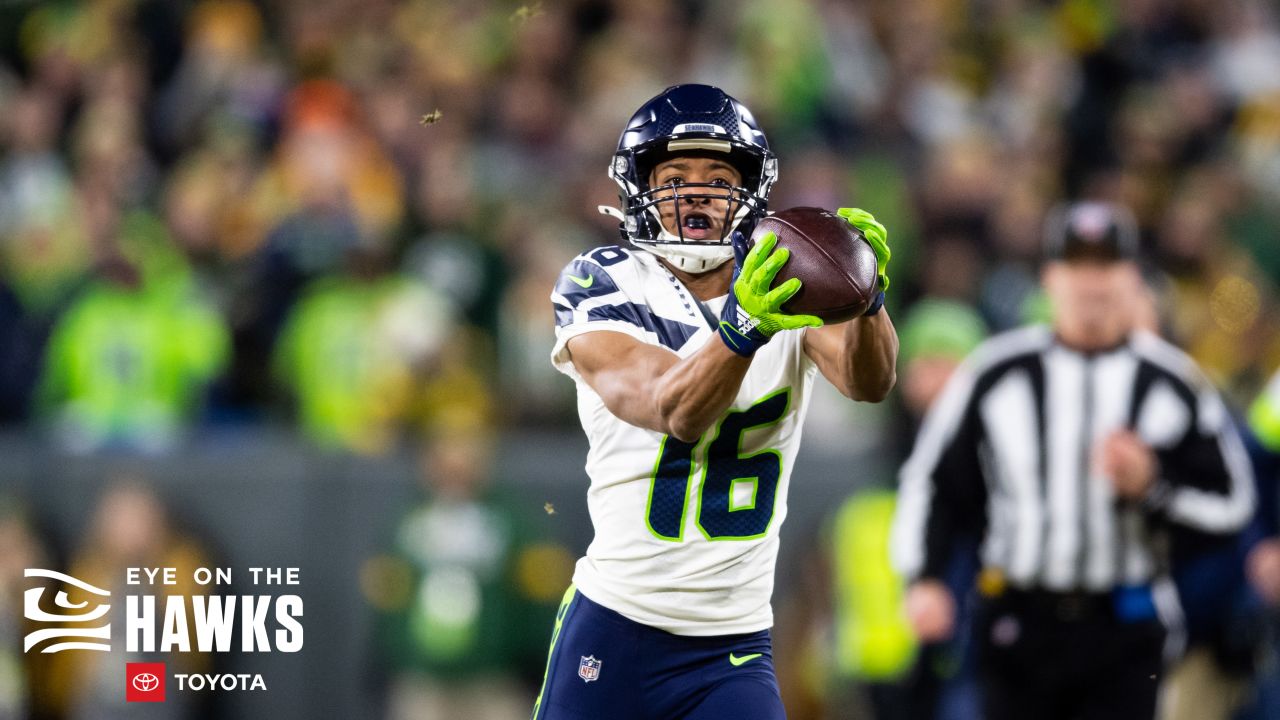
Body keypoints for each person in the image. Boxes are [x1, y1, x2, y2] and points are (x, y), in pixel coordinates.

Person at [535, 84, 898, 720]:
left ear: (750, 189)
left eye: (718, 176)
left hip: (731, 645)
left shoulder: (783, 274)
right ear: (639, 186)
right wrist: (742, 330)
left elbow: (870, 383)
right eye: (674, 175)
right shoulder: (606, 279)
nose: (695, 191)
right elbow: (671, 409)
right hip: (618, 625)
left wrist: (864, 299)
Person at [891, 200, 1256, 720]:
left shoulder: (1174, 384)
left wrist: (1153, 487)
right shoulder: (996, 374)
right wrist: (923, 577)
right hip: (1017, 616)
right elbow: (934, 481)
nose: (1091, 282)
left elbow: (1233, 506)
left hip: (1125, 623)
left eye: (1106, 265)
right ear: (1051, 277)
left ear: (1132, 277)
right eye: (1076, 265)